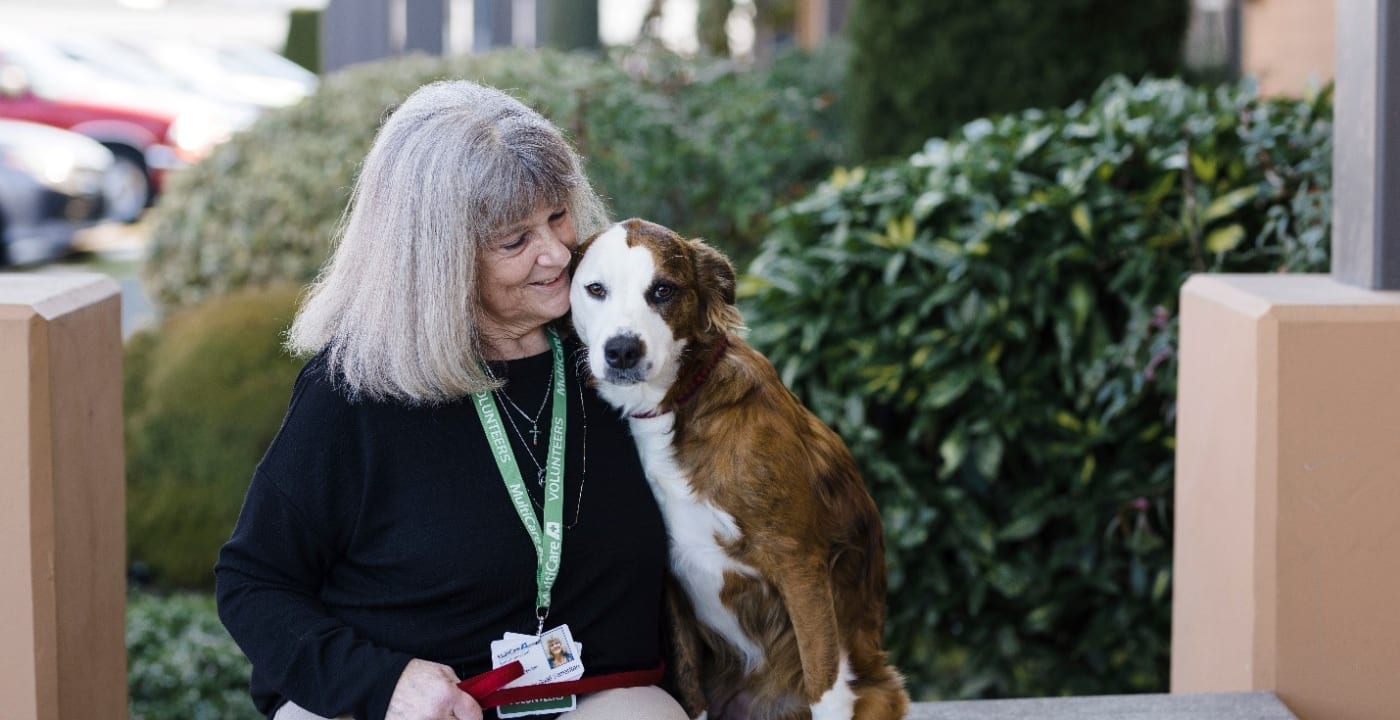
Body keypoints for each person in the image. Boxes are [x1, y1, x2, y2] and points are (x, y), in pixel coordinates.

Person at [215, 80, 687, 720]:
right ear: (439, 260)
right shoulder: (354, 389)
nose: (555, 253)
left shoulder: (618, 351)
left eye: (557, 215)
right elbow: (255, 583)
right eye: (514, 241)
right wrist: (383, 683)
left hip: (597, 699)